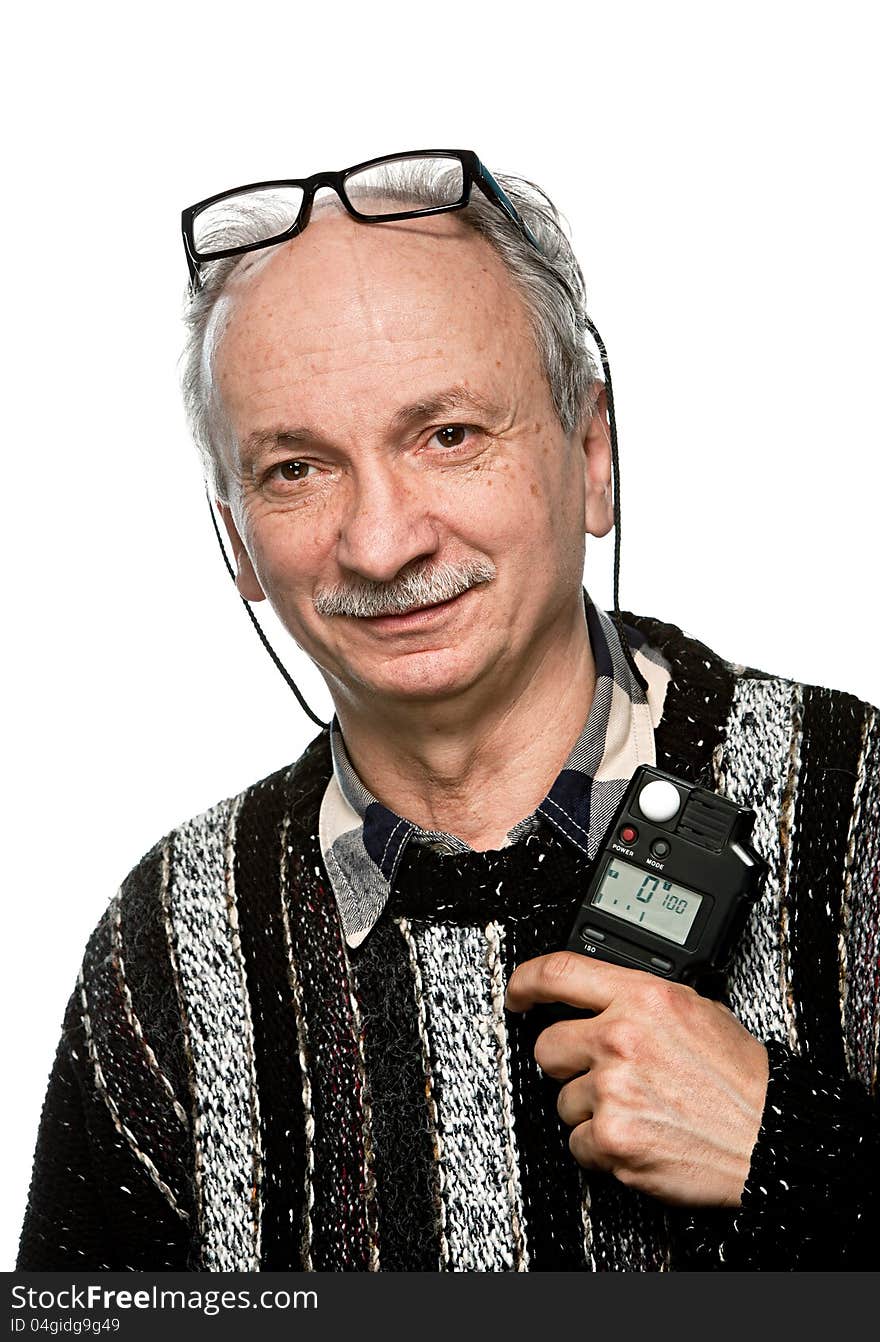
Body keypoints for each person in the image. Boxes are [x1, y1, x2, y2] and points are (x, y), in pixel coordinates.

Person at [17, 150, 878, 1272]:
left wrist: (792, 1151)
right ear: (235, 540)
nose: (382, 541)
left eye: (449, 436)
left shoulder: (855, 804)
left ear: (592, 451)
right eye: (295, 469)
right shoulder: (170, 943)